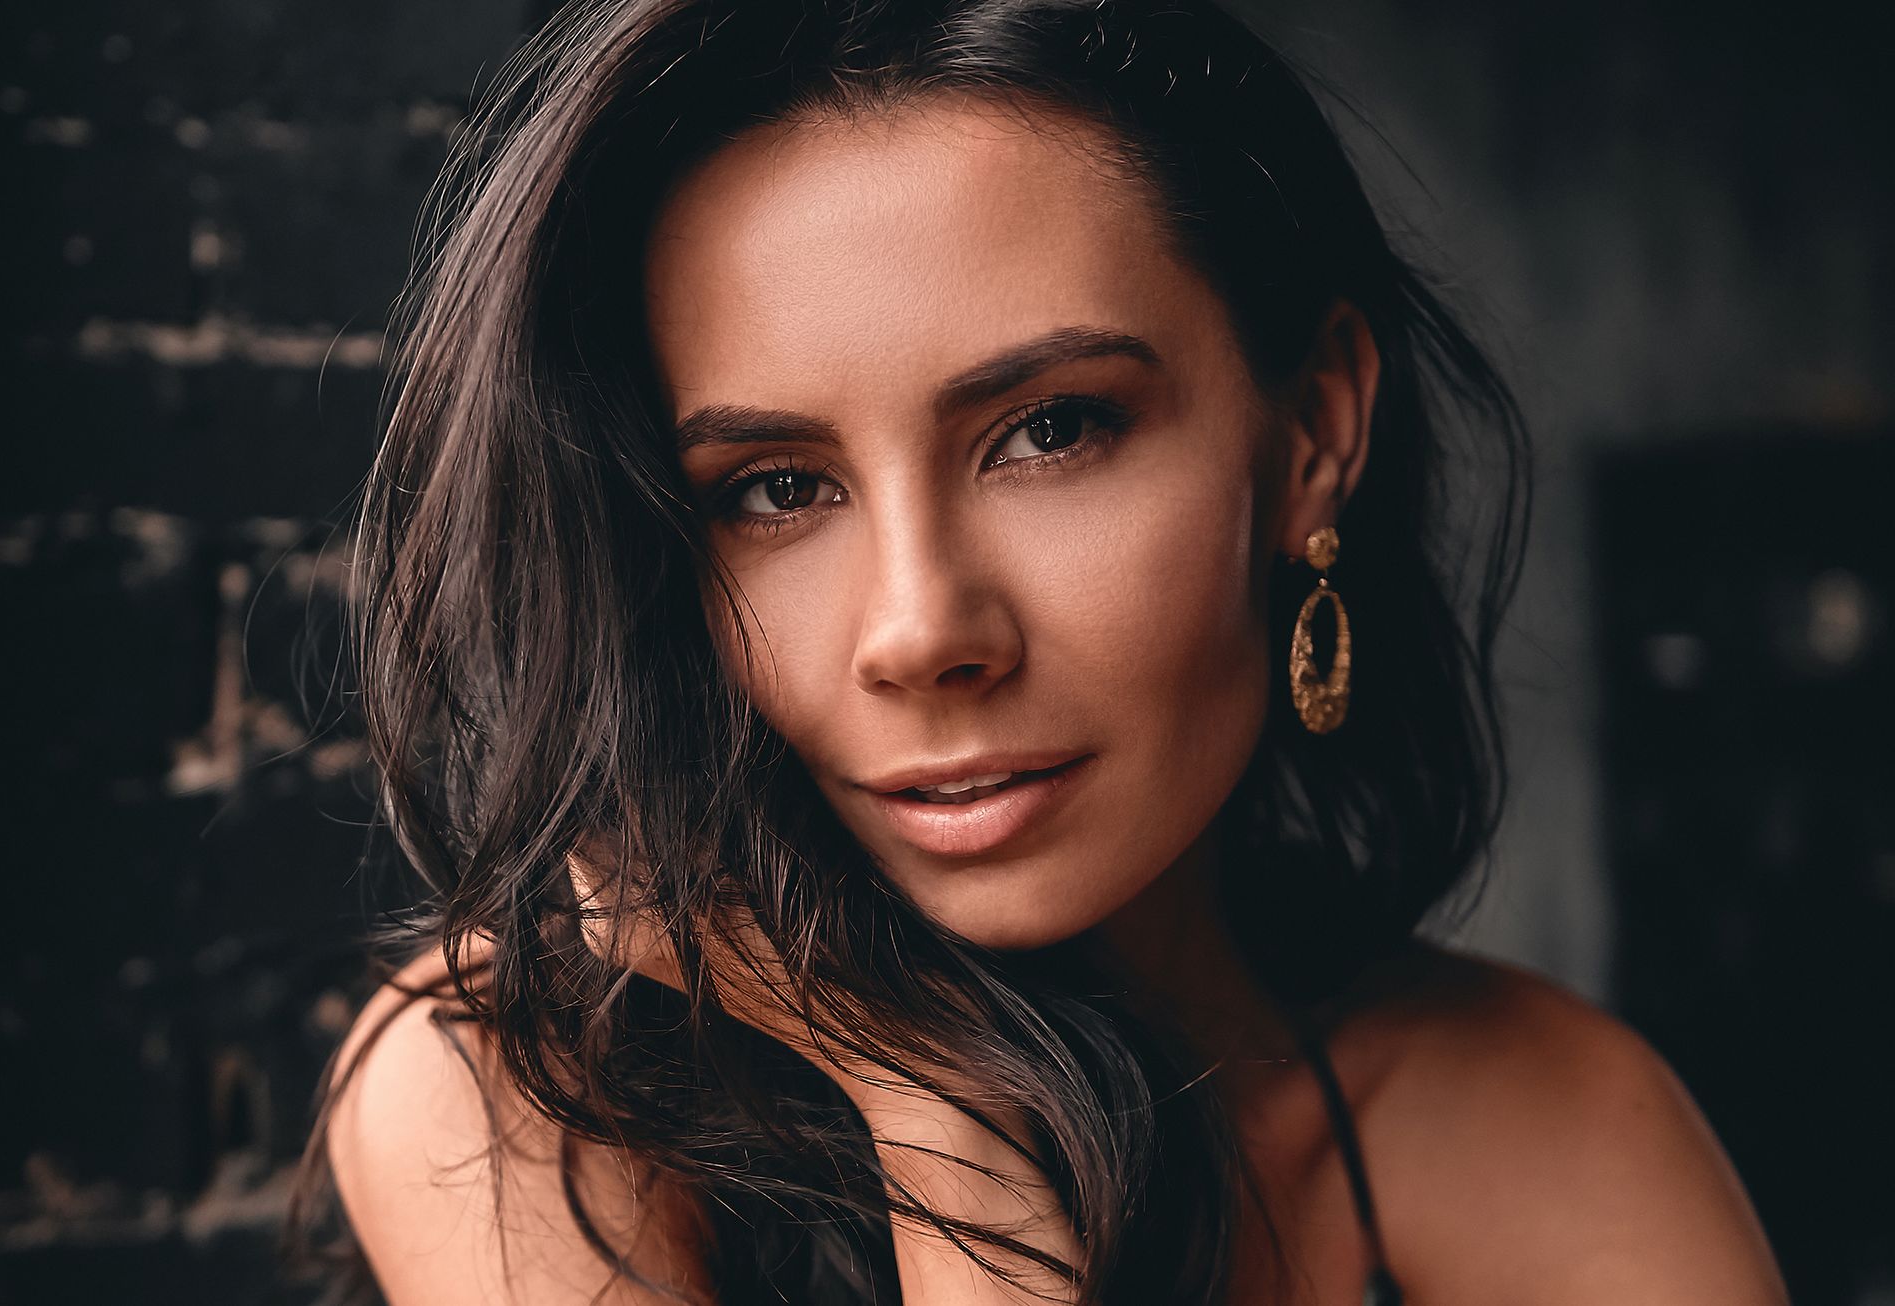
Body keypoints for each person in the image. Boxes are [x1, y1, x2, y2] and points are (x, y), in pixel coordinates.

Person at [290, 1, 1788, 1301]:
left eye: (1051, 429)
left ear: (1316, 430)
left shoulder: (1541, 1122)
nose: (922, 629)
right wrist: (943, 1137)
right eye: (777, 488)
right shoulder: (513, 1104)